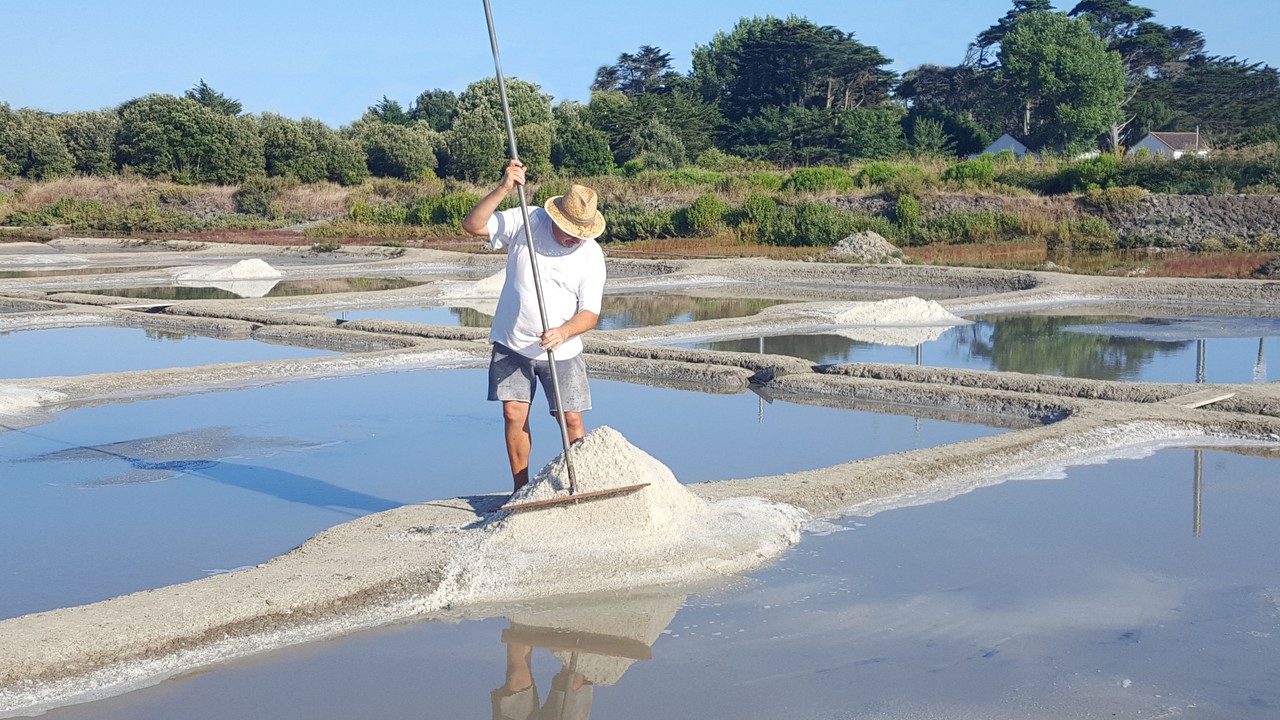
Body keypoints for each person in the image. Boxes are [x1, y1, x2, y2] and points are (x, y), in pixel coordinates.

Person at [462, 161, 607, 493]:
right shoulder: (527, 221)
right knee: (513, 414)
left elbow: (590, 313)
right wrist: (503, 189)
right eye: (570, 231)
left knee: (569, 418)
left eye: (581, 234)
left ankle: (578, 484)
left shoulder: (591, 256)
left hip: (562, 349)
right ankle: (520, 490)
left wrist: (564, 332)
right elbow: (473, 225)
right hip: (512, 343)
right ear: (557, 218)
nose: (574, 239)